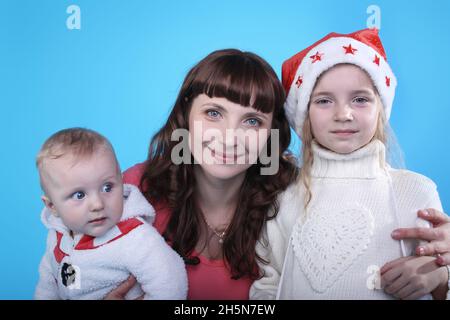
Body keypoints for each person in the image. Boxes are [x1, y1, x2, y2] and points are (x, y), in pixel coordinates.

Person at [109, 48, 450, 300]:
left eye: (252, 121)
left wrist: (444, 270)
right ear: (185, 117)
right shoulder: (136, 192)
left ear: (273, 134)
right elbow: (70, 268)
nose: (230, 136)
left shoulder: (290, 196)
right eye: (213, 113)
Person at [250, 28, 450, 300]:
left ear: (380, 108)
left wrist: (441, 277)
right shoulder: (283, 197)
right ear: (304, 114)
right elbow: (266, 288)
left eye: (360, 99)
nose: (343, 114)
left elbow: (439, 276)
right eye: (323, 100)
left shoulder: (416, 190)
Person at [34, 128, 188, 299]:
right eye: (79, 195)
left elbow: (171, 285)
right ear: (52, 206)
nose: (98, 204)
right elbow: (48, 283)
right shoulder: (58, 235)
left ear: (121, 183)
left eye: (107, 187)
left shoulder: (135, 238)